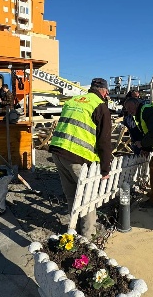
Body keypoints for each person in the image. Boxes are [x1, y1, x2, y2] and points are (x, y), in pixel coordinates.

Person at [47, 79, 115, 236]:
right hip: (77, 157)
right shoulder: (100, 106)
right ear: (104, 91)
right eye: (107, 94)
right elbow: (104, 141)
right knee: (87, 198)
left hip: (58, 152)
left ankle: (74, 229)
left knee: (72, 195)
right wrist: (105, 168)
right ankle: (88, 236)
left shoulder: (73, 100)